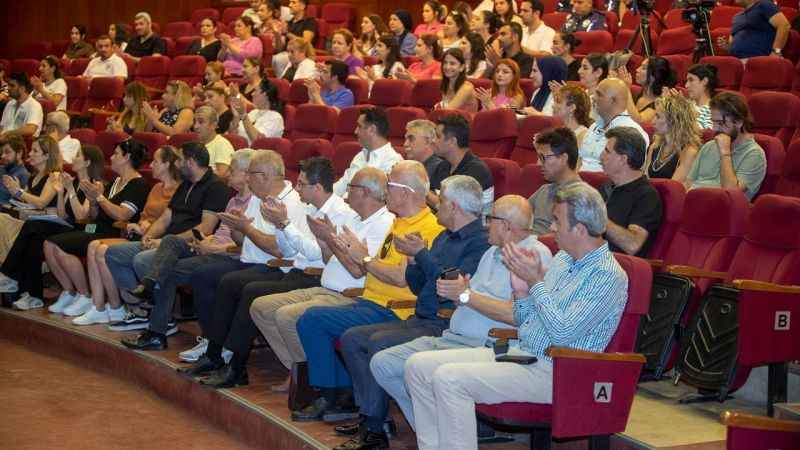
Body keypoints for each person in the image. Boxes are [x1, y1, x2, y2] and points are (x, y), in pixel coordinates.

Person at [402, 182, 628, 450]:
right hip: (521, 352)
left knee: (449, 378)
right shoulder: (564, 260)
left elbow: (563, 334)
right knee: (417, 366)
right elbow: (525, 319)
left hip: (560, 371)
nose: (551, 228)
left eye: (557, 221)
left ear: (579, 229)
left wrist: (535, 283)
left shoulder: (607, 275)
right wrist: (521, 294)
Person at [367, 195, 553, 446]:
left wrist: (465, 296)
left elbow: (516, 315)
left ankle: (444, 439)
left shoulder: (533, 256)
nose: (486, 224)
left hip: (487, 344)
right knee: (382, 364)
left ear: (507, 226)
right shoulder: (491, 252)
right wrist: (459, 293)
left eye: (491, 219)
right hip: (454, 336)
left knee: (420, 368)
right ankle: (438, 439)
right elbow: (469, 298)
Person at [177, 158, 359, 388]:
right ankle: (216, 354)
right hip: (295, 269)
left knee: (250, 290)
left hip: (311, 274)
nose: (297, 187)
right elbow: (288, 248)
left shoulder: (338, 212)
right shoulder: (309, 208)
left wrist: (283, 224)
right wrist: (278, 224)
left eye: (302, 184)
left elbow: (313, 253)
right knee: (228, 282)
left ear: (318, 188)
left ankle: (237, 366)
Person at [291, 161, 446, 422]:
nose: (385, 192)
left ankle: (334, 396)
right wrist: (342, 246)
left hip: (395, 309)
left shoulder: (427, 228)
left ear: (406, 193)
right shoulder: (398, 222)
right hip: (369, 301)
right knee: (311, 318)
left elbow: (400, 278)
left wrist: (363, 258)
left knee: (313, 319)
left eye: (390, 186)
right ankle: (342, 392)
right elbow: (369, 266)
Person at [248, 167, 394, 392]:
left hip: (349, 296)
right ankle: (300, 370)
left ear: (364, 192)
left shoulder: (384, 224)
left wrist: (330, 240)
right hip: (324, 288)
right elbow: (328, 259)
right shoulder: (353, 218)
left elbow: (359, 271)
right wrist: (326, 242)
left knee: (286, 316)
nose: (345, 192)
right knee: (261, 307)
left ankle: (316, 380)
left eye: (351, 187)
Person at [119, 149, 256, 348]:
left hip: (227, 257)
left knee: (166, 269)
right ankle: (150, 291)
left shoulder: (254, 202)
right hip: (208, 248)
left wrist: (214, 248)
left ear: (246, 175)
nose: (227, 173)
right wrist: (205, 243)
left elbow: (246, 244)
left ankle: (160, 328)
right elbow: (216, 233)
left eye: (232, 170)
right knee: (171, 242)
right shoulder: (233, 200)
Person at [47, 140, 150, 323]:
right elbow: (93, 215)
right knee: (52, 241)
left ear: (126, 157)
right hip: (98, 227)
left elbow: (122, 214)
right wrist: (94, 201)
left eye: (116, 153)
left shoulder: (138, 184)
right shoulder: (116, 181)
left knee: (80, 245)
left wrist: (99, 197)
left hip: (115, 233)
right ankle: (93, 302)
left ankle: (99, 303)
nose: (111, 157)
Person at [82, 145, 182, 329]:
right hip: (141, 234)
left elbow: (169, 221)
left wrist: (147, 229)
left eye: (156, 161)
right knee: (95, 247)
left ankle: (128, 307)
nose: (151, 165)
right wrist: (140, 224)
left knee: (103, 250)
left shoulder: (178, 190)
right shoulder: (156, 188)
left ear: (168, 164)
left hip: (157, 239)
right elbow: (145, 214)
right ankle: (113, 306)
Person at [0, 136, 63, 309]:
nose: (31, 154)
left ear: (46, 155)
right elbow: (28, 203)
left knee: (31, 228)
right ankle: (33, 295)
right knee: (31, 238)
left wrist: (19, 192)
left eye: (35, 151)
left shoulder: (54, 175)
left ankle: (8, 274)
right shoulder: (34, 176)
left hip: (54, 224)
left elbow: (42, 202)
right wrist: (16, 194)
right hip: (36, 224)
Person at [685, 92, 767, 200]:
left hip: (722, 211)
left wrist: (725, 154)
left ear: (738, 122)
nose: (714, 128)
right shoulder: (709, 146)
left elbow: (731, 193)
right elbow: (689, 183)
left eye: (720, 123)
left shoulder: (754, 154)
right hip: (694, 204)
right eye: (713, 122)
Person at [599, 127, 663, 257]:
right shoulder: (605, 187)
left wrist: (599, 219)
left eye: (607, 152)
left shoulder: (646, 196)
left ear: (623, 159)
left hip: (618, 269)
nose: (600, 156)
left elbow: (633, 244)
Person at [580, 78, 649, 172]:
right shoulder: (594, 126)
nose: (593, 97)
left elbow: (627, 174)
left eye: (599, 94)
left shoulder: (632, 133)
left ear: (613, 101)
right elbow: (580, 159)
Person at [333, 108, 404, 197]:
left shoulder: (393, 161)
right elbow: (342, 185)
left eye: (359, 126)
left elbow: (373, 198)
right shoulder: (360, 156)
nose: (355, 131)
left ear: (372, 129)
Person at [431, 115, 494, 213]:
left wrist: (423, 191)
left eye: (438, 136)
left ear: (452, 141)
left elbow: (456, 212)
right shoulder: (443, 166)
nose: (433, 141)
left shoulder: (477, 171)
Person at [528, 128, 583, 235]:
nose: (539, 163)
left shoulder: (580, 197)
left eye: (543, 157)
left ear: (563, 158)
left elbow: (558, 238)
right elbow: (518, 216)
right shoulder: (544, 189)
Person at [646, 94, 701, 182]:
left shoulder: (689, 152)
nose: (653, 121)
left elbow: (673, 188)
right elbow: (645, 180)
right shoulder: (654, 147)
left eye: (658, 116)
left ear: (674, 121)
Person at [721, 0, 790, 59]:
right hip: (736, 61)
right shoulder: (736, 17)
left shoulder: (764, 5)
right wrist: (727, 46)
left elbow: (784, 25)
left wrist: (776, 52)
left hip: (759, 59)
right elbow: (732, 44)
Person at [620, 56, 676, 124]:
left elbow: (638, 121)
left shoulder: (659, 103)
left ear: (653, 77)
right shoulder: (641, 93)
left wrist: (626, 88)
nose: (637, 70)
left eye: (643, 68)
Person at [271, 0, 318, 79]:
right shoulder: (289, 23)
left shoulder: (309, 21)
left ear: (302, 6)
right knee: (276, 57)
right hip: (288, 54)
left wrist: (286, 33)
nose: (289, 5)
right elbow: (279, 49)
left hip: (302, 54)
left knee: (278, 59)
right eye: (290, 2)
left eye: (293, 2)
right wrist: (277, 34)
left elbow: (306, 42)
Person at [231, 78, 285, 144]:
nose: (252, 94)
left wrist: (243, 115)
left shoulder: (275, 117)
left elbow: (257, 141)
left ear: (265, 94)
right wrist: (236, 116)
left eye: (255, 91)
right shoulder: (253, 112)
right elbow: (233, 135)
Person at [404, 119, 449, 191]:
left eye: (411, 139)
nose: (405, 144)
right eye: (405, 139)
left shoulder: (441, 168)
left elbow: (439, 201)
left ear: (427, 141)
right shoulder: (406, 165)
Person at [193, 106, 235, 178]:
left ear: (213, 125)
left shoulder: (222, 144)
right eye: (195, 122)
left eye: (201, 122)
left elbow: (222, 175)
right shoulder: (195, 145)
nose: (195, 126)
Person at [0, 72, 43, 138]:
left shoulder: (34, 106)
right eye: (8, 85)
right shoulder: (10, 104)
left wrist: (7, 134)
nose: (8, 88)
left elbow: (30, 129)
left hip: (20, 144)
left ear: (22, 88)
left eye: (12, 85)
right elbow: (2, 127)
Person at [436, 49, 478, 113]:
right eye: (445, 63)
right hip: (449, 120)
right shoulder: (446, 84)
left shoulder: (466, 88)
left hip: (465, 121)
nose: (447, 67)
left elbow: (447, 111)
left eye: (452, 63)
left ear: (462, 67)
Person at [684, 63, 717, 130]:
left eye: (691, 80)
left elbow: (705, 136)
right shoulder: (686, 104)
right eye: (687, 81)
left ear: (704, 81)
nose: (686, 85)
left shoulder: (713, 110)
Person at [0, 136, 30, 205]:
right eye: (2, 153)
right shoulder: (2, 168)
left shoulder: (24, 175)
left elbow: (22, 203)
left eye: (7, 152)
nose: (2, 156)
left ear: (19, 153)